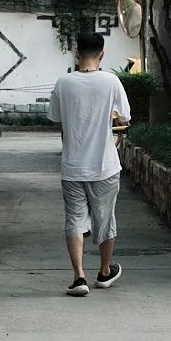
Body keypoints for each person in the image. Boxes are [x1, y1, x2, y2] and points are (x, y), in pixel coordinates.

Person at [47, 30, 131, 297]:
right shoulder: (111, 81)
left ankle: (79, 277)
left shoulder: (63, 83)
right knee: (105, 219)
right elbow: (124, 117)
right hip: (105, 166)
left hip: (72, 167)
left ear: (76, 53)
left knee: (74, 220)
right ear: (102, 54)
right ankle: (104, 272)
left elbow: (56, 120)